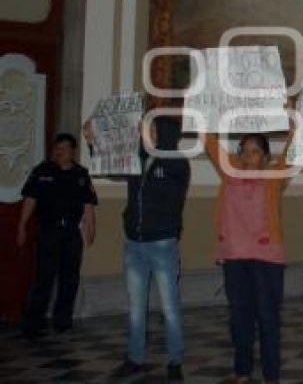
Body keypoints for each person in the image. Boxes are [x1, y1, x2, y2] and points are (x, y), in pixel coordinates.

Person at [86, 116, 190, 381]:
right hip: (134, 243)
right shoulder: (136, 159)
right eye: (145, 127)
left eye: (151, 127)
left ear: (163, 132)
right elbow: (109, 168)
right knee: (135, 307)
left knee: (169, 307)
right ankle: (135, 358)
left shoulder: (176, 162)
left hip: (162, 243)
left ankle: (175, 361)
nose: (145, 131)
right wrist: (92, 141)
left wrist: (151, 145)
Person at [203, 126, 293, 384]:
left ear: (265, 156)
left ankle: (271, 376)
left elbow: (294, 150)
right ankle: (242, 372)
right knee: (239, 317)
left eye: (254, 152)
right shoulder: (230, 170)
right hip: (234, 257)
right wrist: (201, 111)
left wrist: (294, 117)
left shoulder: (275, 175)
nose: (247, 156)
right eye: (243, 151)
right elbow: (209, 143)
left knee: (268, 319)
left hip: (267, 260)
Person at [17, 133, 97, 338]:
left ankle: (62, 321)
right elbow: (30, 200)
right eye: (57, 147)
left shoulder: (81, 174)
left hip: (71, 233)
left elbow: (88, 206)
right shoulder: (42, 171)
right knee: (43, 278)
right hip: (48, 232)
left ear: (72, 151)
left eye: (64, 148)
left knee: (69, 279)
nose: (59, 151)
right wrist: (22, 226)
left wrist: (90, 230)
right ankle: (33, 323)